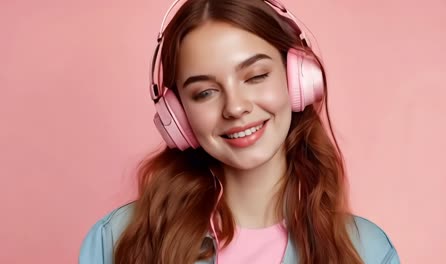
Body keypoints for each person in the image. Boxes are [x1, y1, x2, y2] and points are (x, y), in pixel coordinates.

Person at [79, 0, 400, 263]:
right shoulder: (117, 240)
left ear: (297, 80)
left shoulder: (367, 252)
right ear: (178, 116)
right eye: (205, 92)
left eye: (256, 76)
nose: (235, 107)